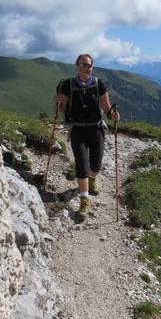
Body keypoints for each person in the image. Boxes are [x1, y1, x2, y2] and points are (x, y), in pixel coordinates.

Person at [55, 54, 121, 222]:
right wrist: (58, 104)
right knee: (82, 165)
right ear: (76, 66)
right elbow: (62, 109)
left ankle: (92, 179)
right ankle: (85, 201)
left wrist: (112, 115)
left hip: (96, 128)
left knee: (96, 165)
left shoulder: (98, 83)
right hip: (77, 129)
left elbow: (106, 108)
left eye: (88, 65)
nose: (85, 68)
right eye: (82, 64)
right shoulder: (67, 85)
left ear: (92, 67)